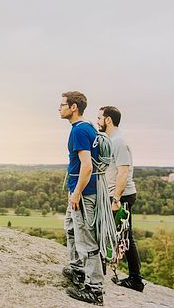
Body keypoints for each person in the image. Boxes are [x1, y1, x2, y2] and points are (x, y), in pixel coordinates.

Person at [59, 91, 104, 305]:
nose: (59, 108)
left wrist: (76, 193)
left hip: (83, 193)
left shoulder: (79, 131)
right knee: (70, 229)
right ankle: (78, 270)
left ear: (74, 107)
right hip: (79, 191)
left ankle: (95, 289)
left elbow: (87, 166)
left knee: (86, 239)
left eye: (62, 105)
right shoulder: (87, 127)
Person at [97, 105, 145, 292]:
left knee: (125, 237)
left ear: (108, 120)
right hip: (116, 195)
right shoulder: (112, 140)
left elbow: (123, 172)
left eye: (99, 118)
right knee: (112, 234)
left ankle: (135, 279)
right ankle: (105, 273)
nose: (98, 121)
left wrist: (116, 198)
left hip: (122, 196)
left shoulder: (118, 142)